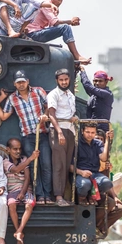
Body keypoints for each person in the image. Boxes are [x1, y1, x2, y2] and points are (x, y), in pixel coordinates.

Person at [0, 70, 53, 203]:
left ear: (28, 81)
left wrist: (45, 115)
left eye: (23, 82)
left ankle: (48, 195)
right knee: (33, 166)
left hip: (42, 133)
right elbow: (3, 116)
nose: (21, 84)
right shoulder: (12, 98)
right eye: (18, 82)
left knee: (46, 164)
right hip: (27, 137)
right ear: (15, 84)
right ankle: (40, 195)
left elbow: (48, 106)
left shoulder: (38, 91)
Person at [25, 0, 91, 64]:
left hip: (36, 32)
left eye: (62, 0)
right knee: (65, 28)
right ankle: (77, 56)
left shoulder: (50, 6)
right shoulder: (46, 4)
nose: (60, 2)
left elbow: (53, 26)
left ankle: (76, 56)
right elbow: (56, 23)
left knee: (64, 27)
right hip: (32, 34)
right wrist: (70, 21)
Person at [47, 68, 78, 207]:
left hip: (70, 130)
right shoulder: (53, 94)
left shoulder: (70, 94)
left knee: (66, 164)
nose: (64, 82)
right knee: (58, 164)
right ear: (57, 81)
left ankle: (64, 196)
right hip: (58, 130)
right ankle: (58, 197)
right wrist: (59, 132)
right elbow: (51, 115)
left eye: (66, 79)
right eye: (61, 80)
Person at [4, 138, 38, 244]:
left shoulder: (23, 159)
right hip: (12, 190)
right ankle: (18, 231)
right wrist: (31, 159)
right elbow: (15, 170)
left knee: (29, 205)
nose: (18, 151)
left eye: (19, 149)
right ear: (8, 150)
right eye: (15, 149)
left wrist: (23, 192)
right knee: (12, 205)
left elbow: (27, 178)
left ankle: (19, 231)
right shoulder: (5, 161)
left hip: (25, 189)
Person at [75, 123, 114, 203]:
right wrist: (81, 172)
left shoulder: (98, 143)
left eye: (92, 133)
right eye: (87, 132)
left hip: (95, 174)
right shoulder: (76, 144)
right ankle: (81, 198)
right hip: (80, 174)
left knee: (107, 183)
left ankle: (91, 196)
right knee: (85, 184)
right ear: (82, 131)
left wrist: (107, 141)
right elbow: (70, 166)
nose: (90, 135)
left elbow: (103, 158)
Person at [80, 67, 114, 131]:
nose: (97, 83)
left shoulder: (107, 94)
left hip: (101, 130)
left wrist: (83, 71)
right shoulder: (93, 95)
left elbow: (88, 87)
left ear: (106, 82)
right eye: (95, 81)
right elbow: (87, 87)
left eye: (100, 81)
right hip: (91, 128)